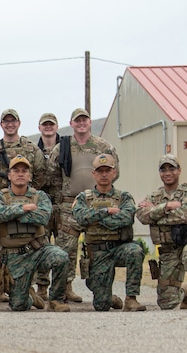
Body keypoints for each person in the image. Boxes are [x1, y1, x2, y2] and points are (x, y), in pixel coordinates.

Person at [0, 109, 48, 305]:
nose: (10, 124)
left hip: (25, 204)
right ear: (0, 124)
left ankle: (26, 285)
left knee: (26, 245)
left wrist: (26, 196)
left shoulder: (31, 149)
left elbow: (41, 174)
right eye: (6, 121)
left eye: (13, 121)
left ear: (19, 123)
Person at [49, 108, 119, 304]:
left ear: (89, 123)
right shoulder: (61, 147)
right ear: (71, 123)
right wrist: (62, 194)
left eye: (84, 120)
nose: (81, 123)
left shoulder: (103, 146)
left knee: (97, 247)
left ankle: (100, 287)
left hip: (97, 204)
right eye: (77, 120)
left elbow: (115, 172)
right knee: (66, 249)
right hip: (68, 204)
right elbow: (52, 174)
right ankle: (66, 288)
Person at [0, 155, 69, 312]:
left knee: (61, 257)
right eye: (16, 170)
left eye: (24, 171)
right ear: (9, 175)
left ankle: (56, 300)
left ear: (30, 176)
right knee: (18, 305)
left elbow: (42, 217)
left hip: (38, 249)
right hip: (14, 256)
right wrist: (24, 209)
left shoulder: (40, 196)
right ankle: (30, 297)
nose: (20, 174)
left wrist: (12, 216)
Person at [136, 155, 187, 310]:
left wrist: (155, 212)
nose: (167, 172)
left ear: (179, 170)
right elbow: (142, 216)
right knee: (167, 303)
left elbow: (185, 215)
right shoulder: (154, 196)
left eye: (171, 168)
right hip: (168, 251)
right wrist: (167, 206)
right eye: (163, 169)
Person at [73, 155, 146, 311]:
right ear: (94, 174)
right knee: (101, 305)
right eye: (100, 171)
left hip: (120, 248)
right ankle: (110, 298)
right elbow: (80, 217)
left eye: (108, 170)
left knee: (136, 251)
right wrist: (107, 211)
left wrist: (95, 218)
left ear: (114, 173)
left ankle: (131, 299)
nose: (104, 174)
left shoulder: (124, 197)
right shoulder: (83, 198)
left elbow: (126, 219)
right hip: (98, 252)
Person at [31, 112, 62, 302]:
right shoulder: (34, 151)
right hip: (42, 204)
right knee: (41, 245)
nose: (48, 127)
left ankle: (63, 287)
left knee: (64, 247)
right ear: (39, 128)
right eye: (45, 124)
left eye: (51, 124)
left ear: (57, 127)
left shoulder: (66, 148)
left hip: (61, 203)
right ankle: (42, 287)